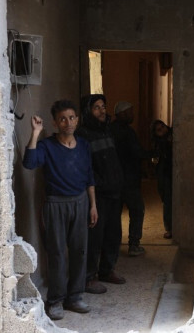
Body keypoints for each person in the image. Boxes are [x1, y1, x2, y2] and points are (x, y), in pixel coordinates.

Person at [22, 99, 97, 320]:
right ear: (55, 123)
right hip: (56, 204)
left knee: (79, 251)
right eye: (62, 119)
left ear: (77, 119)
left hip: (81, 202)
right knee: (56, 253)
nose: (68, 122)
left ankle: (75, 297)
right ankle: (55, 300)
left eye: (72, 117)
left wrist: (93, 205)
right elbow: (29, 163)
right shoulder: (47, 145)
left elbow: (89, 176)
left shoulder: (83, 145)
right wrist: (35, 133)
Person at [76, 94, 126, 294]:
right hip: (97, 195)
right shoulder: (83, 135)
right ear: (88, 111)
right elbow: (85, 168)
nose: (102, 110)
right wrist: (99, 186)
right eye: (96, 107)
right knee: (94, 237)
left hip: (114, 192)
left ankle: (107, 270)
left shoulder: (107, 131)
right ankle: (89, 277)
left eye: (103, 106)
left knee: (113, 234)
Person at [110, 101, 149, 256]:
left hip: (114, 180)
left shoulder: (110, 130)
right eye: (130, 112)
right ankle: (134, 244)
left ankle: (114, 244)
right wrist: (153, 155)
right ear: (122, 114)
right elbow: (136, 153)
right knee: (137, 210)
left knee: (114, 214)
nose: (132, 115)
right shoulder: (127, 132)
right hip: (129, 180)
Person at [151, 120, 173, 240]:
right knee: (168, 201)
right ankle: (169, 228)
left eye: (163, 127)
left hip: (172, 173)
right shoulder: (158, 144)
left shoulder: (173, 135)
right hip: (165, 175)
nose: (163, 130)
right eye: (159, 130)